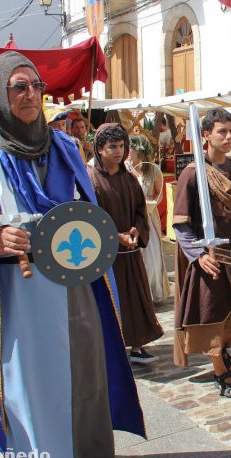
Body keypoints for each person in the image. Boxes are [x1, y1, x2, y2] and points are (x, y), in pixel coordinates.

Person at [0, 51, 145, 458]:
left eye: (36, 85)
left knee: (84, 366)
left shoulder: (64, 146)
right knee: (35, 381)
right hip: (21, 290)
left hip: (72, 280)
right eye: (19, 87)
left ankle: (86, 455)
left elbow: (85, 208)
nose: (31, 94)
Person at [172, 107, 231, 398]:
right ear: (206, 135)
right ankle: (220, 371)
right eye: (222, 131)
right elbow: (181, 224)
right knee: (211, 316)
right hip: (209, 257)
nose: (229, 136)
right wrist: (198, 256)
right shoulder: (192, 174)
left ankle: (225, 355)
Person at [88, 123, 163, 363]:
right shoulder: (90, 179)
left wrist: (135, 231)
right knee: (111, 302)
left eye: (121, 146)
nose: (119, 151)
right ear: (99, 149)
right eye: (112, 147)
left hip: (130, 252)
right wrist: (113, 236)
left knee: (135, 299)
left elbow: (141, 211)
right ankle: (114, 349)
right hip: (104, 257)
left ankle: (138, 346)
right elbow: (88, 216)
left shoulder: (129, 179)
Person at [129, 134, 170, 303]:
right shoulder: (124, 168)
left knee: (151, 255)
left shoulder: (152, 170)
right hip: (130, 217)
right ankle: (137, 294)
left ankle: (152, 291)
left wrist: (150, 204)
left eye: (130, 147)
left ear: (138, 150)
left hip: (149, 217)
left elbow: (159, 193)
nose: (126, 151)